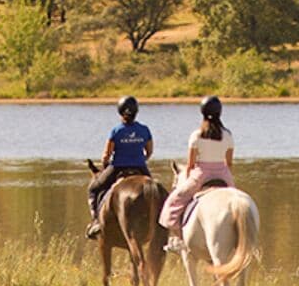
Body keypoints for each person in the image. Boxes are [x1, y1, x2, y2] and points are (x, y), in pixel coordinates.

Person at [160, 96, 236, 249]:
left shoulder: (196, 135)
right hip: (223, 174)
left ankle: (179, 240)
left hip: (201, 175)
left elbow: (190, 164)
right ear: (220, 112)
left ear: (202, 113)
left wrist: (188, 178)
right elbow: (229, 163)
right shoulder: (227, 135)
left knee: (172, 203)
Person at [84, 96, 154, 239]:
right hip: (140, 167)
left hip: (118, 167)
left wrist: (105, 163)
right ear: (136, 112)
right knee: (156, 192)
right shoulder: (144, 130)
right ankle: (161, 223)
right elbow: (149, 151)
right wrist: (140, 159)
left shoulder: (116, 131)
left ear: (120, 112)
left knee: (94, 189)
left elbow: (106, 155)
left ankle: (96, 221)